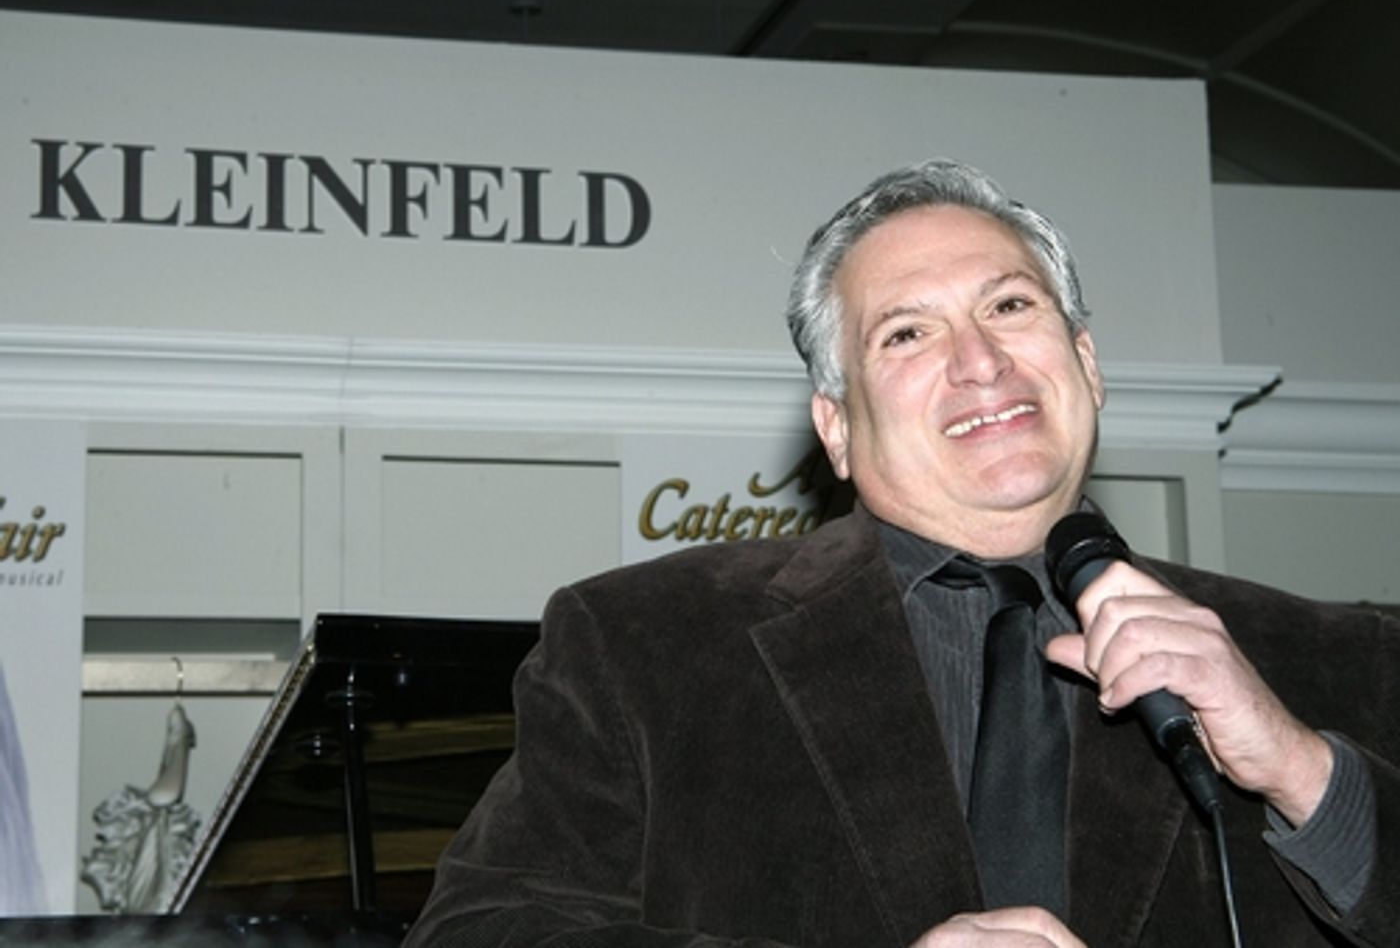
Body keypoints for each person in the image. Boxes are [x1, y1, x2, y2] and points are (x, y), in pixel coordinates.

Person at [403, 160, 1399, 947]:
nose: (980, 361)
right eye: (907, 333)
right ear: (836, 427)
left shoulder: (1329, 656)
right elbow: (478, 931)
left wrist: (1302, 770)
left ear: (1087, 365)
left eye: (1010, 307)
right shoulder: (643, 641)